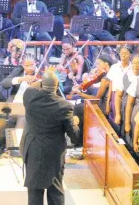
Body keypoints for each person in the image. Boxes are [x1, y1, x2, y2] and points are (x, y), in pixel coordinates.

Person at [20, 67, 81, 205]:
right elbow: (75, 136)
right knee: (55, 189)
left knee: (34, 189)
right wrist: (76, 122)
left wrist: (44, 78)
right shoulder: (64, 106)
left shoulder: (29, 96)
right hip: (53, 152)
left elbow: (35, 86)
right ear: (57, 85)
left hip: (32, 147)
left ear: (41, 83)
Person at [0, 58, 37, 155]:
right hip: (13, 106)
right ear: (23, 66)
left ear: (35, 64)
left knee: (20, 128)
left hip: (28, 109)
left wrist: (37, 83)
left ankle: (18, 147)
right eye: (27, 66)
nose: (30, 68)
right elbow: (4, 83)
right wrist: (20, 79)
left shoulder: (40, 73)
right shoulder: (19, 71)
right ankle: (3, 144)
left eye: (32, 65)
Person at [115, 54, 139, 142]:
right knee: (125, 133)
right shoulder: (126, 76)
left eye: (138, 63)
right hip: (126, 109)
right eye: (134, 63)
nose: (135, 65)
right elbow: (118, 96)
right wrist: (118, 114)